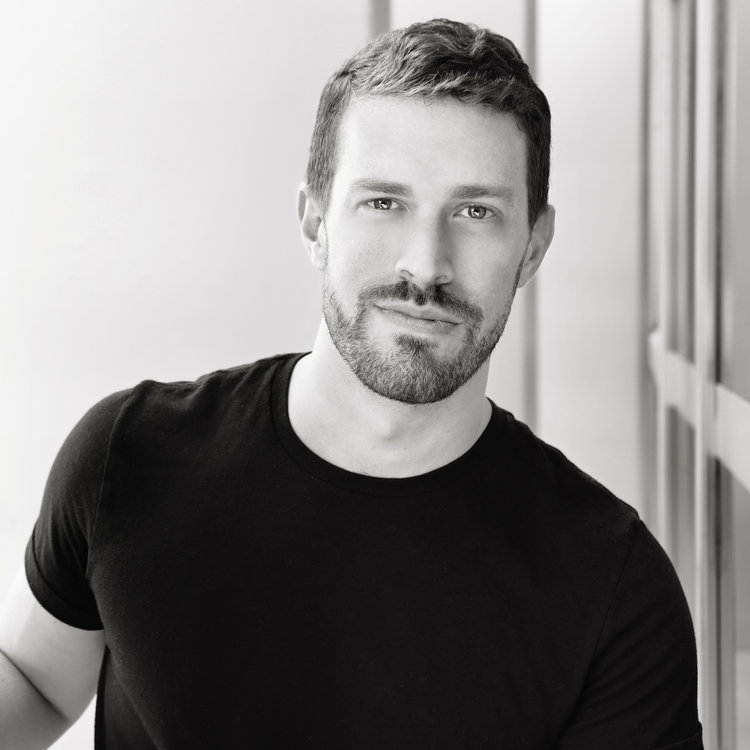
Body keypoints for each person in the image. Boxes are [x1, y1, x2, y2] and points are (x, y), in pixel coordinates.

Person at [0, 18, 702, 750]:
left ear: (533, 247)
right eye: (384, 202)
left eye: (475, 212)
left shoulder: (615, 589)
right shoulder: (129, 455)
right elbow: (33, 678)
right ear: (315, 223)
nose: (425, 265)